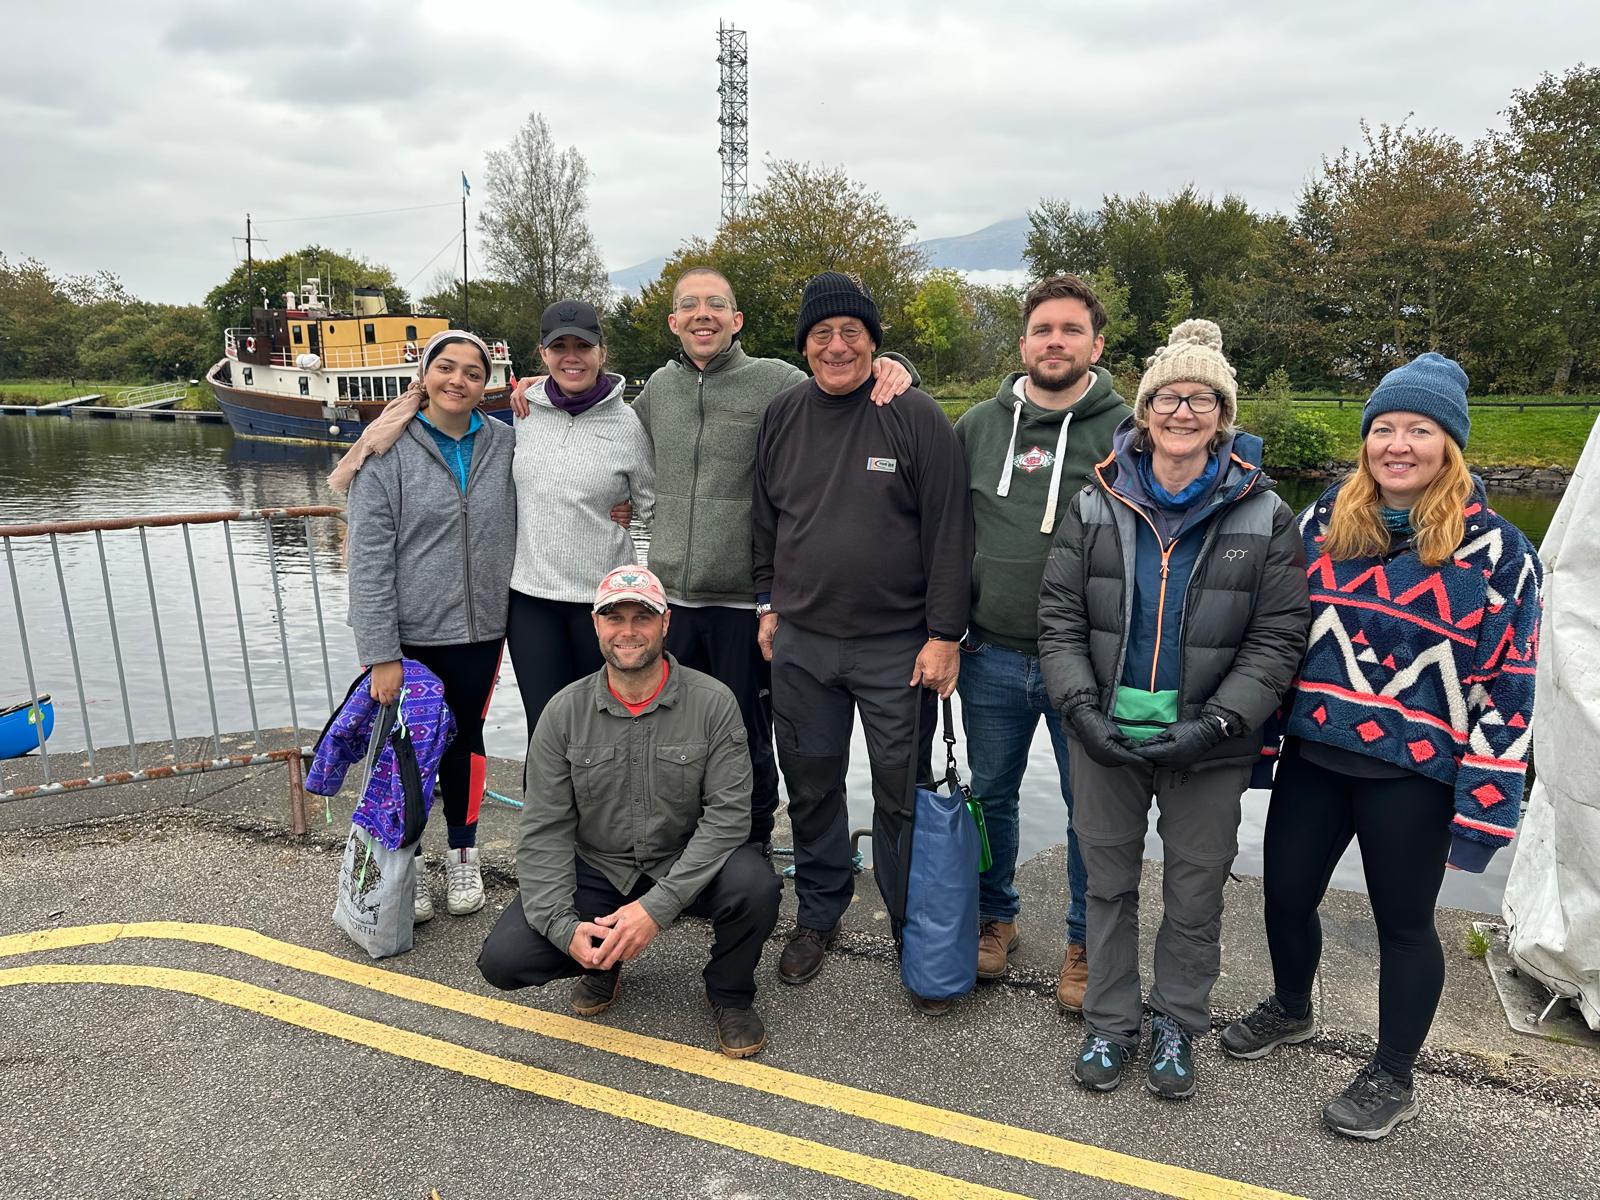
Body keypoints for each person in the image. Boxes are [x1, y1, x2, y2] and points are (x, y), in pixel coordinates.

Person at [1221, 353, 1544, 1140]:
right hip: (1314, 758)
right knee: (1286, 896)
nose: (1399, 445)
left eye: (1420, 430)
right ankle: (1292, 1009)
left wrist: (1483, 812)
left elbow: (1511, 689)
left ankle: (1392, 1072)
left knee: (1404, 924)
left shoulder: (1499, 556)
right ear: (1367, 441)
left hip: (1416, 777)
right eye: (1385, 429)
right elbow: (1278, 632)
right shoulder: (1326, 522)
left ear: (1450, 445)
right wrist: (1255, 740)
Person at [516, 268, 915, 851]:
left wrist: (895, 364)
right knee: (672, 737)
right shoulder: (656, 391)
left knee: (746, 735)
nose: (703, 314)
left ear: (737, 320)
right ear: (673, 323)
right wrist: (531, 392)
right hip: (672, 599)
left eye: (716, 304)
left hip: (742, 602)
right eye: (689, 306)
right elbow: (596, 414)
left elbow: (842, 374)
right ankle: (679, 851)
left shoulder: (774, 380)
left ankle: (748, 852)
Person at [1037, 319, 1310, 1097]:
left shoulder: (1264, 512)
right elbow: (1057, 618)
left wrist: (1221, 723)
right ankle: (1109, 1024)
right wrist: (1081, 711)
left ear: (1223, 416)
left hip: (1212, 746)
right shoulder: (1098, 500)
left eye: (1200, 399)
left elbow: (1279, 636)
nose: (1181, 412)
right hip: (1105, 736)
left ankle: (1176, 1028)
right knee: (1107, 885)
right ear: (1145, 409)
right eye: (1167, 396)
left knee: (1193, 895)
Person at [752, 271, 974, 1013]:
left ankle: (917, 930)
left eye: (852, 332)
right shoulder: (783, 415)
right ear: (805, 347)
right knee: (810, 785)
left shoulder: (913, 416)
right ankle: (819, 913)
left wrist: (945, 634)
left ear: (874, 343)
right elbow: (765, 522)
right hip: (804, 643)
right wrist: (765, 605)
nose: (837, 345)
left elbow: (951, 533)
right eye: (822, 334)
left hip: (896, 648)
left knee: (899, 795)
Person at [476, 565, 781, 1058]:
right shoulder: (562, 712)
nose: (628, 630)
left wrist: (654, 909)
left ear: (666, 624)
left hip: (684, 861)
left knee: (756, 886)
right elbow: (543, 830)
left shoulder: (714, 702)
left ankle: (729, 991)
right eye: (614, 617)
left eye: (643, 616)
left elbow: (728, 818)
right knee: (504, 961)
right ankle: (601, 961)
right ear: (596, 625)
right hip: (601, 864)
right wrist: (562, 927)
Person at [953, 273, 1132, 1005]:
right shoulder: (976, 427)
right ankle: (995, 918)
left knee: (1090, 809)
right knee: (990, 795)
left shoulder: (1128, 432)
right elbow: (938, 530)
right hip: (986, 652)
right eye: (1042, 330)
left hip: (1086, 663)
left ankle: (1087, 943)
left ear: (1095, 343)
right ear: (1023, 342)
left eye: (1070, 330)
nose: (1055, 341)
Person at [344, 329, 517, 921]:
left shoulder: (505, 445)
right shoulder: (386, 452)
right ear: (426, 374)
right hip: (410, 636)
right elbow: (366, 557)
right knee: (405, 748)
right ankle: (405, 859)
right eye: (447, 368)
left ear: (486, 384)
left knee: (465, 741)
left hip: (482, 631)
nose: (458, 381)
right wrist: (380, 651)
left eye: (473, 372)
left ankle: (463, 855)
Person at [506, 299, 653, 745]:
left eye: (583, 346)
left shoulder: (629, 424)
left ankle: (608, 816)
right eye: (560, 347)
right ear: (543, 353)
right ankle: (546, 816)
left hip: (605, 603)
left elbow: (654, 507)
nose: (572, 357)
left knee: (605, 729)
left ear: (601, 352)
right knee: (545, 728)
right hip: (531, 600)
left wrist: (657, 592)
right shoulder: (521, 412)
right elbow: (442, 397)